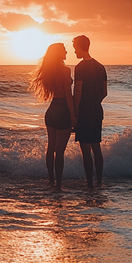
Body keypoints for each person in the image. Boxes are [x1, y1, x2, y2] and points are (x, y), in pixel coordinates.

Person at [30, 43, 77, 191]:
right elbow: (69, 96)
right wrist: (73, 116)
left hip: (51, 111)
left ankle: (51, 180)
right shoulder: (65, 70)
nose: (66, 51)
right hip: (62, 111)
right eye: (64, 50)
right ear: (58, 53)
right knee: (60, 151)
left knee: (51, 148)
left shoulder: (49, 71)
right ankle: (59, 185)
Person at [72, 35, 107, 190]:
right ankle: (99, 182)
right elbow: (104, 92)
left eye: (75, 48)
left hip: (85, 113)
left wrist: (75, 113)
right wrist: (95, 101)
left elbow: (77, 93)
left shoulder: (80, 68)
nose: (74, 52)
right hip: (97, 111)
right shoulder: (101, 67)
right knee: (96, 148)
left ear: (80, 47)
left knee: (86, 151)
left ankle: (90, 185)